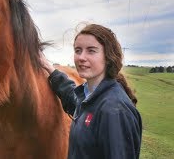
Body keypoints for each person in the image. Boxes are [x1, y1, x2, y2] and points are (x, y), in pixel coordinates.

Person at [40, 24, 142, 159]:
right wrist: (49, 68)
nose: (81, 57)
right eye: (78, 50)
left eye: (91, 50)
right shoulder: (92, 96)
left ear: (108, 56)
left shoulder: (114, 110)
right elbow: (75, 103)